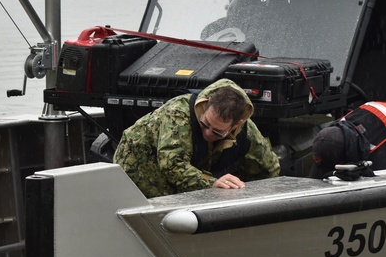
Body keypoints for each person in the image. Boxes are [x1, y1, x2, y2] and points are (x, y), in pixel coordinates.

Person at [113, 78, 280, 197]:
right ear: (207, 104)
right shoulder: (178, 113)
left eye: (217, 132)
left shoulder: (246, 130)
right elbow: (172, 165)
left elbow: (269, 169)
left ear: (236, 125)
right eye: (205, 124)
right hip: (139, 167)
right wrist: (212, 184)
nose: (208, 133)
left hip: (189, 166)